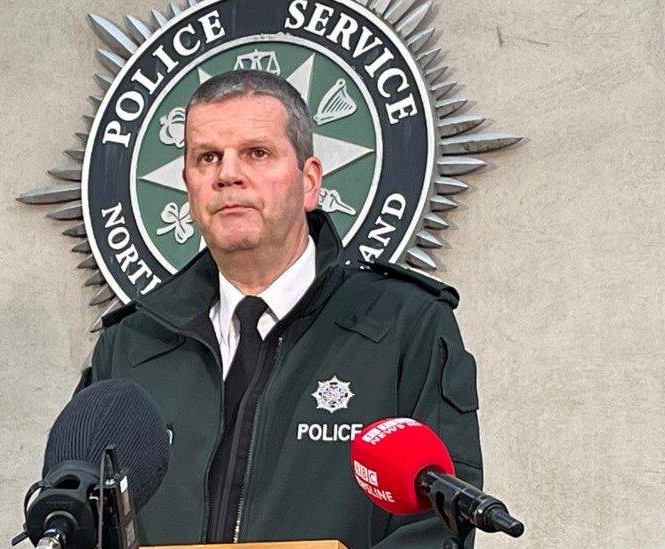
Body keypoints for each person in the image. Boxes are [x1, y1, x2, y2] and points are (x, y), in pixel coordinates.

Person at [76, 70, 482, 548]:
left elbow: (437, 531)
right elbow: (80, 519)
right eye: (207, 158)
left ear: (309, 181)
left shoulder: (404, 326)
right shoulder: (129, 347)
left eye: (257, 153)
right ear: (188, 186)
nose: (228, 174)